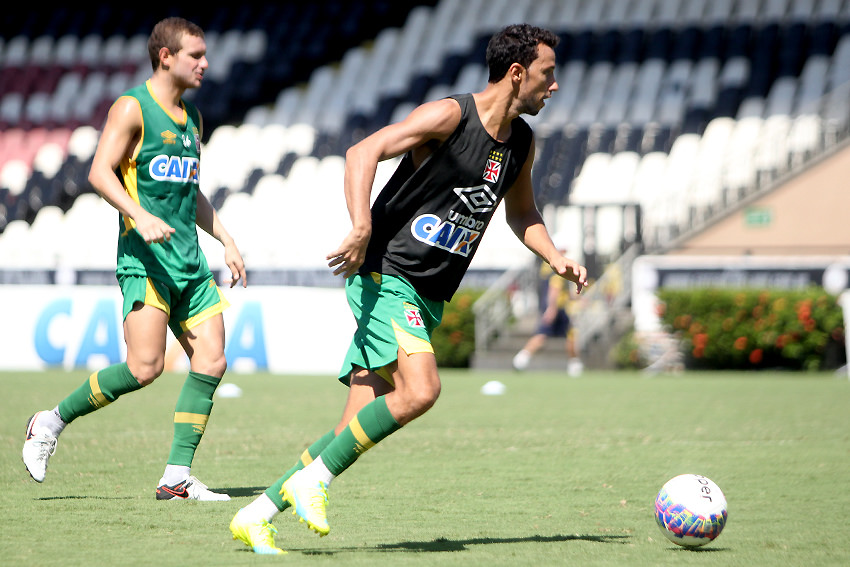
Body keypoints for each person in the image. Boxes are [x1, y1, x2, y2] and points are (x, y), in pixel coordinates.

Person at [228, 23, 587, 554]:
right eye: (547, 73)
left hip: (427, 293)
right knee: (421, 391)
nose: (554, 85)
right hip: (386, 275)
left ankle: (256, 514)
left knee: (350, 429)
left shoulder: (522, 144)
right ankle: (312, 482)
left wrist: (555, 257)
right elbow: (361, 152)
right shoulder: (450, 115)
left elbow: (522, 211)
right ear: (517, 73)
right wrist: (361, 225)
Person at [22, 17, 247, 501]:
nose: (205, 63)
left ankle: (176, 477)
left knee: (212, 360)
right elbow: (100, 172)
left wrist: (226, 239)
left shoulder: (193, 119)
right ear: (166, 56)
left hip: (190, 265)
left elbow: (190, 191)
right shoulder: (133, 108)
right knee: (144, 368)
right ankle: (50, 422)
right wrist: (138, 214)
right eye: (195, 55)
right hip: (145, 263)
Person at [512, 236, 584, 376]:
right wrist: (552, 308)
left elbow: (559, 290)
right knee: (551, 335)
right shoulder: (558, 266)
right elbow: (554, 289)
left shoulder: (546, 265)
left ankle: (522, 358)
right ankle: (574, 365)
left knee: (553, 336)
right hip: (558, 308)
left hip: (554, 306)